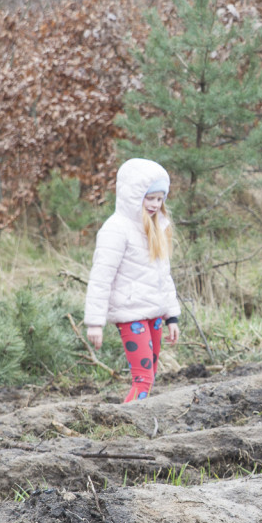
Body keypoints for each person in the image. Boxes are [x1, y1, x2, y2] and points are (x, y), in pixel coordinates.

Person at [84, 158, 181, 403]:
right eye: (149, 198)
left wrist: (172, 316)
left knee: (150, 375)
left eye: (160, 199)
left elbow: (163, 276)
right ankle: (127, 426)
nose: (155, 204)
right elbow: (101, 277)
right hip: (130, 315)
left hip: (155, 313)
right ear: (133, 195)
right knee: (143, 378)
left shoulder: (157, 227)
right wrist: (95, 322)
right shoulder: (116, 229)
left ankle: (135, 420)